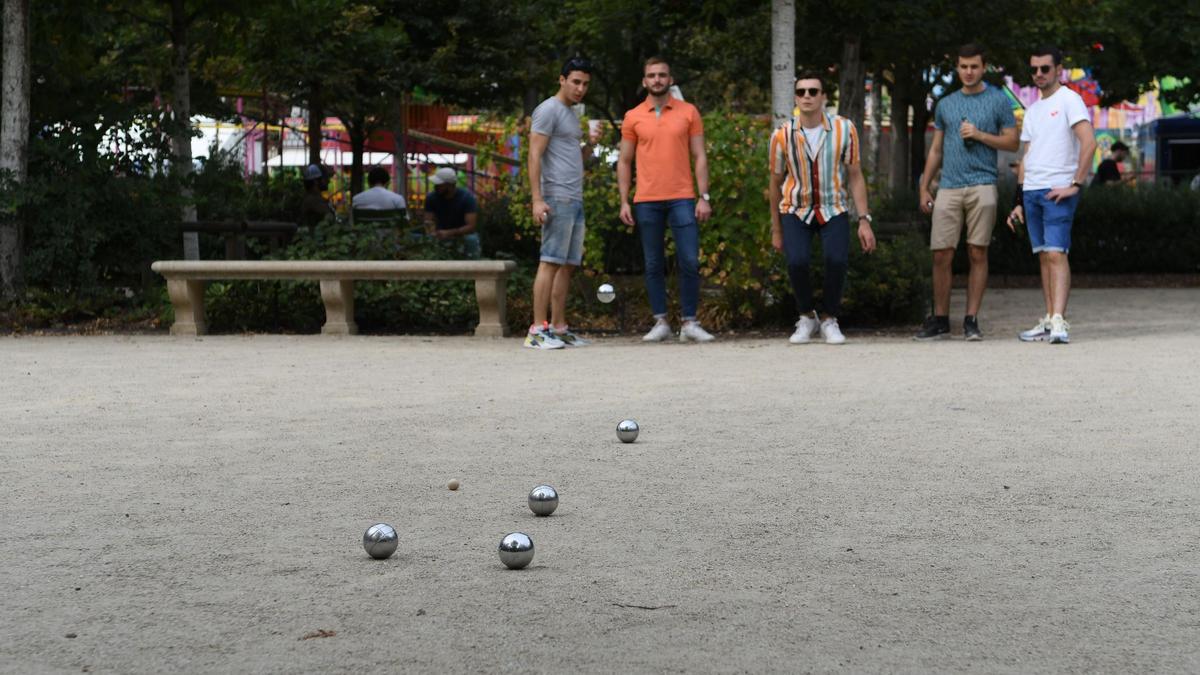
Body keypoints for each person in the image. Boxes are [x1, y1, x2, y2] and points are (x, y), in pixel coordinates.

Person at [915, 44, 1018, 341]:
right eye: (963, 66)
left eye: (974, 66)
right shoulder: (946, 104)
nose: (969, 72)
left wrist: (980, 135)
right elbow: (936, 149)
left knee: (977, 251)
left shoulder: (998, 101)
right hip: (948, 185)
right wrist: (924, 186)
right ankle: (941, 319)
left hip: (983, 183)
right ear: (957, 68)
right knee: (941, 254)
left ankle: (971, 319)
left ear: (983, 67)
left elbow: (1012, 143)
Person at [767, 72, 876, 345]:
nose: (807, 96)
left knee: (837, 260)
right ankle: (806, 315)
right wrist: (776, 227)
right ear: (795, 97)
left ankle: (829, 317)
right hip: (795, 207)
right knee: (796, 261)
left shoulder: (844, 129)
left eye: (813, 91)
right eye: (802, 92)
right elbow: (774, 182)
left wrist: (864, 219)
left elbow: (855, 175)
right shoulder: (782, 135)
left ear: (824, 97)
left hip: (833, 207)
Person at [617, 56, 716, 343]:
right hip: (646, 199)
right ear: (644, 81)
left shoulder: (688, 112)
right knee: (652, 263)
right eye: (652, 75)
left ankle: (689, 322)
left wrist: (704, 196)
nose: (657, 79)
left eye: (662, 75)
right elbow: (624, 161)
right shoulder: (633, 116)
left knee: (688, 260)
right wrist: (624, 200)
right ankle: (660, 321)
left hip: (683, 197)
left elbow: (700, 156)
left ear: (670, 79)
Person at [1007, 45, 1096, 344]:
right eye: (1034, 69)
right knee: (1044, 256)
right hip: (1031, 190)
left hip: (1058, 190)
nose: (1039, 74)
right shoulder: (1033, 110)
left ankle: (1059, 320)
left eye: (1045, 68)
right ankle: (1047, 320)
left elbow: (1090, 143)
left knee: (1057, 254)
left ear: (1058, 69)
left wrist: (1075, 184)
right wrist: (1017, 202)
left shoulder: (1070, 99)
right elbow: (1027, 156)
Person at [525, 57, 593, 350]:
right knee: (550, 262)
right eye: (575, 82)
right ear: (562, 79)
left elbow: (575, 157)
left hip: (574, 198)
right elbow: (534, 154)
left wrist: (590, 145)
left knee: (566, 265)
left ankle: (558, 327)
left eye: (585, 84)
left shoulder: (570, 113)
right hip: (555, 197)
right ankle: (537, 331)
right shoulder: (548, 109)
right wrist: (537, 199)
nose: (580, 88)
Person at [423, 167, 480, 259]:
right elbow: (428, 221)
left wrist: (449, 233)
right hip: (439, 235)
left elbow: (471, 226)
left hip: (462, 235)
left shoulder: (467, 198)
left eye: (439, 184)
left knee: (471, 239)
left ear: (449, 185)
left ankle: (472, 266)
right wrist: (432, 232)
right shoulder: (431, 198)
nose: (435, 186)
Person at [299, 163, 334, 230]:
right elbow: (330, 218)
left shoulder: (314, 198)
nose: (329, 181)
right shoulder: (312, 201)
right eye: (326, 178)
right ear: (316, 181)